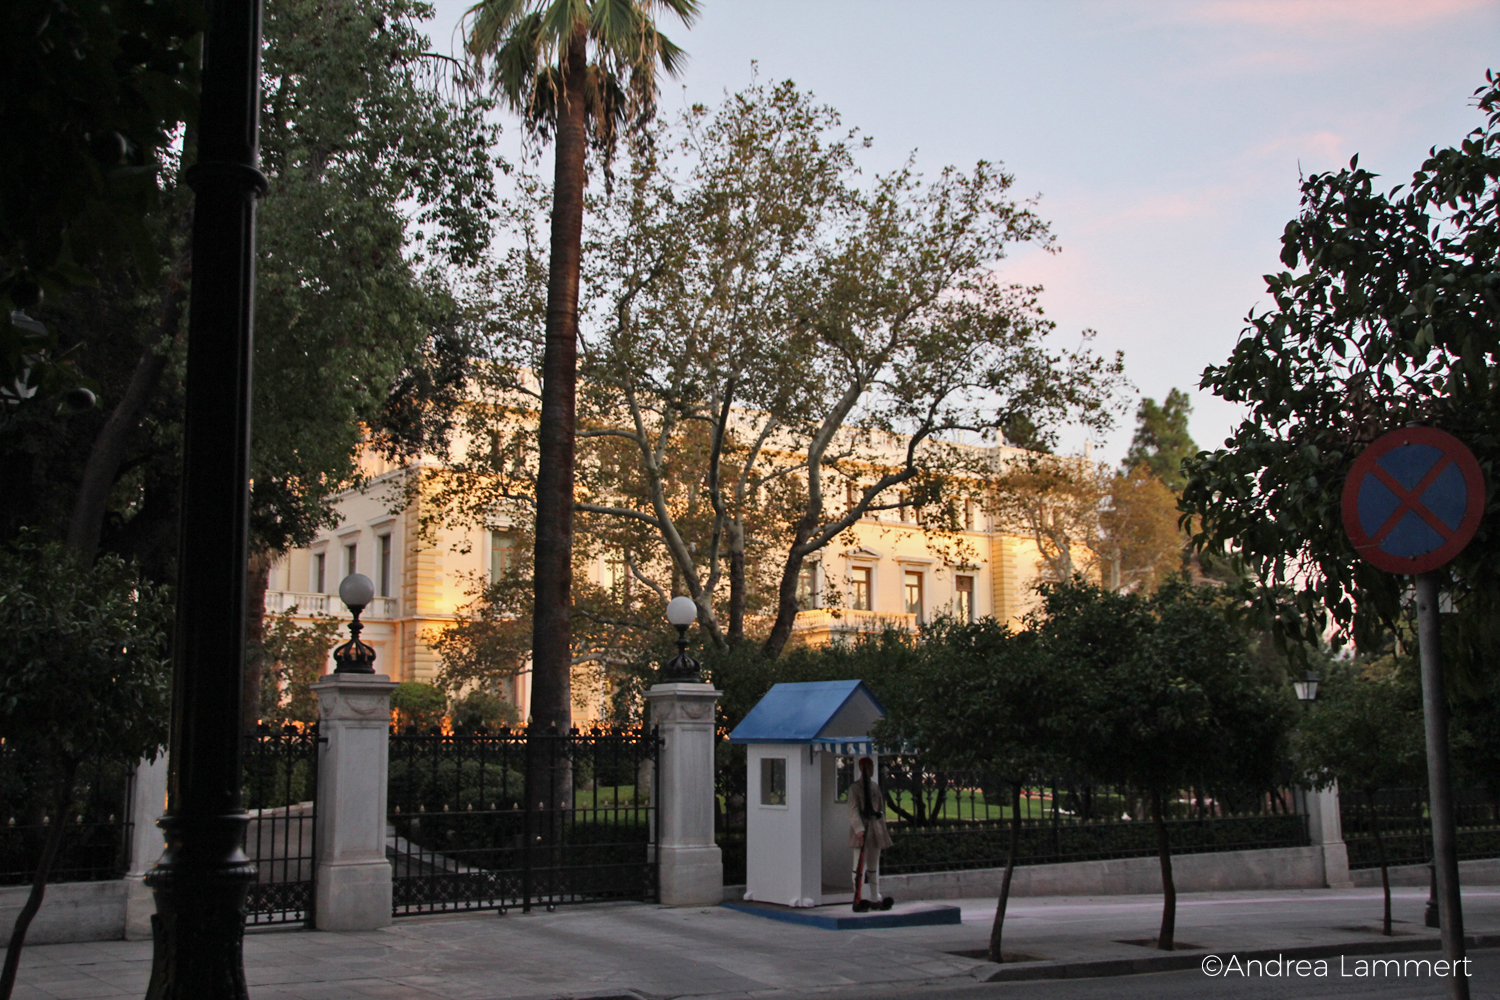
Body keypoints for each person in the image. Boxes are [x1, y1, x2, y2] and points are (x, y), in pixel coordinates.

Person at [848, 756, 894, 911]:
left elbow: (881, 808)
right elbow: (853, 811)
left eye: (872, 765)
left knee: (873, 867)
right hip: (863, 828)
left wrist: (882, 827)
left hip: (875, 828)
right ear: (862, 768)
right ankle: (857, 898)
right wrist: (859, 830)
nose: (872, 768)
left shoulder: (875, 787)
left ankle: (875, 898)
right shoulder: (855, 788)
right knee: (858, 867)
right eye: (869, 766)